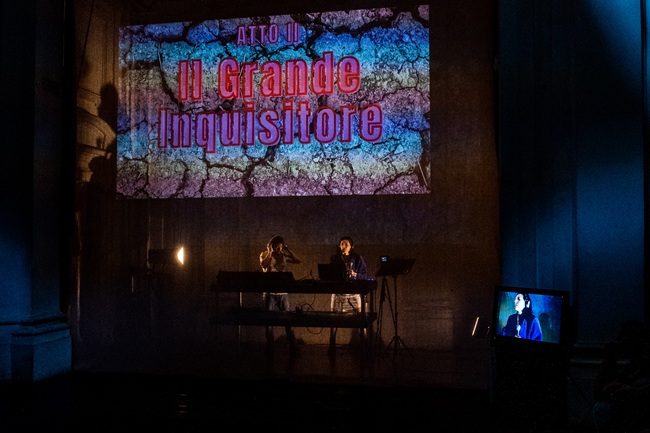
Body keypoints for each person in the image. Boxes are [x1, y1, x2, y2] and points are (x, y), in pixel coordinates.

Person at [592, 320, 650, 433]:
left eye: (623, 338)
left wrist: (632, 392)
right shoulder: (634, 365)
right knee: (602, 408)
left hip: (640, 416)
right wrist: (609, 359)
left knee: (601, 409)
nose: (618, 341)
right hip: (632, 414)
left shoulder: (642, 364)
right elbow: (602, 392)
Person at [259, 235, 301, 356]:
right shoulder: (264, 254)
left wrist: (288, 250)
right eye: (275, 246)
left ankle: (293, 345)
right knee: (269, 321)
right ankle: (270, 346)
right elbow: (264, 265)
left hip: (282, 292)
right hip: (269, 293)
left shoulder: (283, 255)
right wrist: (269, 253)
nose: (278, 248)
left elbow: (297, 261)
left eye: (280, 246)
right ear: (271, 246)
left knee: (287, 319)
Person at [328, 236, 368, 355]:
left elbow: (364, 274)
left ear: (351, 246)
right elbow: (331, 273)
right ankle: (332, 343)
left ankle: (365, 344)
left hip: (353, 292)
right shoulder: (335, 258)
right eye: (342, 244)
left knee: (361, 318)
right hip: (339, 292)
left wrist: (355, 275)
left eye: (346, 244)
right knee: (333, 319)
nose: (344, 246)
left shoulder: (357, 258)